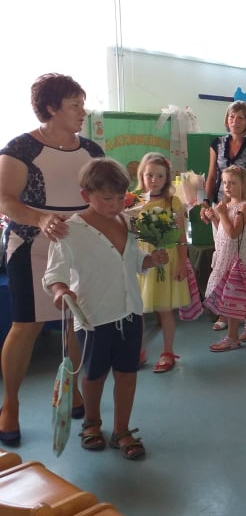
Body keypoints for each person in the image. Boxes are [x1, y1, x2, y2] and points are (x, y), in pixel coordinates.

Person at [0, 73, 104, 446]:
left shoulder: (91, 150)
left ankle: (73, 392)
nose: (82, 111)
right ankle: (10, 404)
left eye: (82, 104)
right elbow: (5, 199)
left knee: (76, 322)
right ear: (50, 108)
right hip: (32, 246)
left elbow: (102, 195)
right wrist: (41, 218)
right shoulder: (20, 148)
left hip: (80, 245)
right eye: (75, 105)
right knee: (26, 326)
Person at [43, 157, 168, 460]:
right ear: (86, 195)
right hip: (93, 318)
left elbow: (133, 260)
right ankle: (91, 423)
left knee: (127, 373)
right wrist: (60, 291)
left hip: (130, 312)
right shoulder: (69, 231)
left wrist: (151, 260)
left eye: (120, 198)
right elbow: (54, 273)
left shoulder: (126, 222)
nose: (115, 205)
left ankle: (122, 430)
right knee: (94, 375)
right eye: (107, 199)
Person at [201, 100, 246, 330]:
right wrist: (206, 203)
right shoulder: (217, 143)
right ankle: (225, 310)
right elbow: (212, 175)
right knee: (223, 255)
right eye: (232, 117)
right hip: (222, 206)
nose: (235, 121)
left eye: (240, 117)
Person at [134, 152, 190, 373]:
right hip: (141, 261)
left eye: (160, 175)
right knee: (137, 310)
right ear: (142, 175)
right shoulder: (135, 201)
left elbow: (181, 237)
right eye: (149, 175)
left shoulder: (173, 202)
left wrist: (182, 263)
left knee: (164, 309)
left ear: (167, 178)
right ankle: (138, 351)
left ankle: (167, 351)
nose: (154, 180)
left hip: (167, 261)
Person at [203, 165, 246, 351]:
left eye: (232, 183)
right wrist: (215, 218)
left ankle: (232, 337)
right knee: (230, 295)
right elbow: (223, 231)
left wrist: (221, 214)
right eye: (225, 182)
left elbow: (234, 233)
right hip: (225, 258)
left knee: (232, 297)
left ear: (243, 185)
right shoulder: (225, 205)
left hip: (237, 261)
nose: (227, 186)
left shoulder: (244, 207)